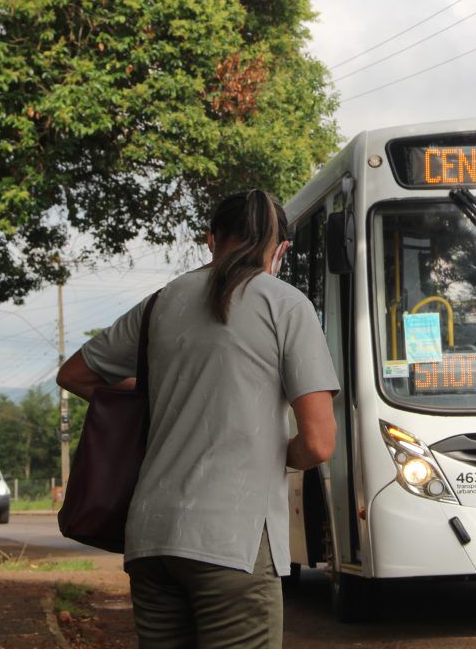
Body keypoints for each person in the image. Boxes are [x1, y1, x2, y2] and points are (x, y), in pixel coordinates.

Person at [57, 189, 339, 649]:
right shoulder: (286, 304)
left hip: (150, 537)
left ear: (211, 239)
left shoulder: (160, 303)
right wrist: (271, 449)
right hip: (232, 542)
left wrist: (155, 397)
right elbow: (319, 442)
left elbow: (75, 374)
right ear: (281, 250)